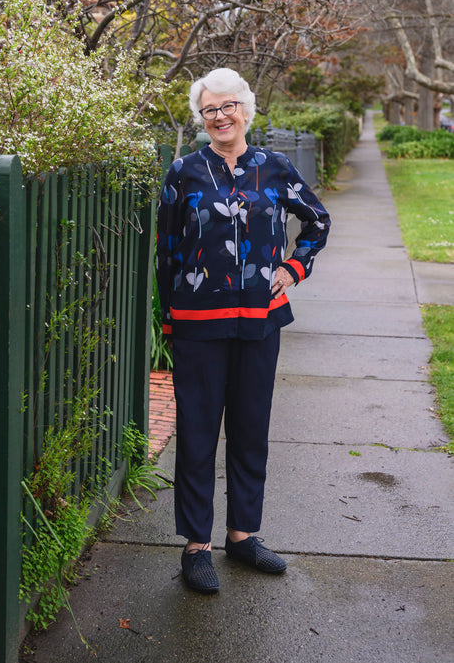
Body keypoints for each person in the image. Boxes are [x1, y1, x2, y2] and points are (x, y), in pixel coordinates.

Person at [156, 68, 330, 594]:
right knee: (198, 433)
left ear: (246, 110)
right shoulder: (183, 172)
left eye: (228, 106)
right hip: (196, 325)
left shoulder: (275, 169)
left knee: (251, 429)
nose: (220, 116)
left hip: (260, 320)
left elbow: (317, 221)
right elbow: (166, 252)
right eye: (209, 110)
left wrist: (292, 269)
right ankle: (196, 546)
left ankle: (242, 536)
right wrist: (168, 319)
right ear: (201, 119)